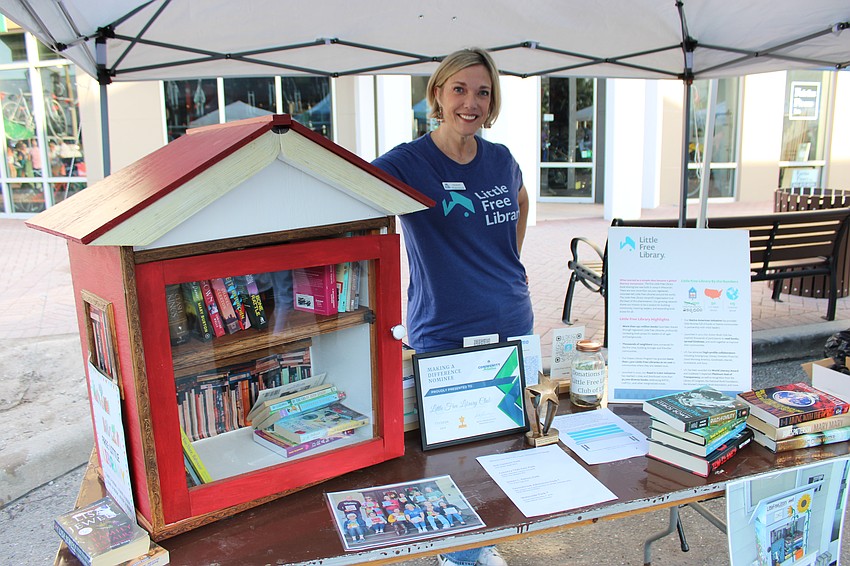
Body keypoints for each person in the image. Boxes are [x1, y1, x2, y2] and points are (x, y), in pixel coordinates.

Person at [373, 47, 532, 566]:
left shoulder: (501, 158)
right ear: (437, 94)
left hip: (510, 321)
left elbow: (522, 201)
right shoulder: (407, 162)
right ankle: (460, 554)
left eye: (482, 92)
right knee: (447, 455)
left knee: (504, 443)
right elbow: (358, 199)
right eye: (459, 89)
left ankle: (478, 544)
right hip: (443, 330)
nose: (471, 102)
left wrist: (510, 263)